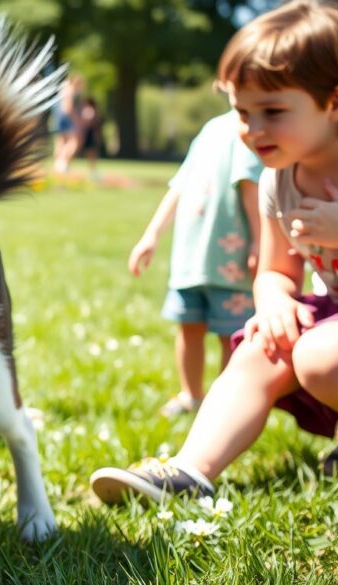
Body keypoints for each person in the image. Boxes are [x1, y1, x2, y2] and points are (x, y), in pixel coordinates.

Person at [92, 0, 338, 504]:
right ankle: (189, 471)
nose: (251, 129)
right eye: (242, 112)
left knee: (321, 354)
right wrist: (274, 301)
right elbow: (274, 271)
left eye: (272, 112)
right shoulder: (278, 181)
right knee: (262, 345)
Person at [128, 110, 263, 418]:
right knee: (188, 327)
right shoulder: (211, 129)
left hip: (230, 264)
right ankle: (192, 395)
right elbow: (179, 185)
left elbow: (251, 188)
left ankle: (228, 403)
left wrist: (258, 242)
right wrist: (151, 235)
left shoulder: (249, 128)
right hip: (191, 260)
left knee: (232, 337)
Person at [51, 74, 83, 175]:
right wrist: (76, 119)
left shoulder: (63, 87)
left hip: (58, 117)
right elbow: (67, 108)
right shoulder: (70, 90)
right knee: (74, 142)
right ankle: (63, 163)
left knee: (61, 142)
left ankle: (58, 164)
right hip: (66, 118)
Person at [80, 96, 104, 181]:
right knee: (91, 154)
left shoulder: (88, 110)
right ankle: (93, 171)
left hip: (89, 134)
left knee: (91, 153)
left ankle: (93, 171)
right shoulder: (92, 110)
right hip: (88, 134)